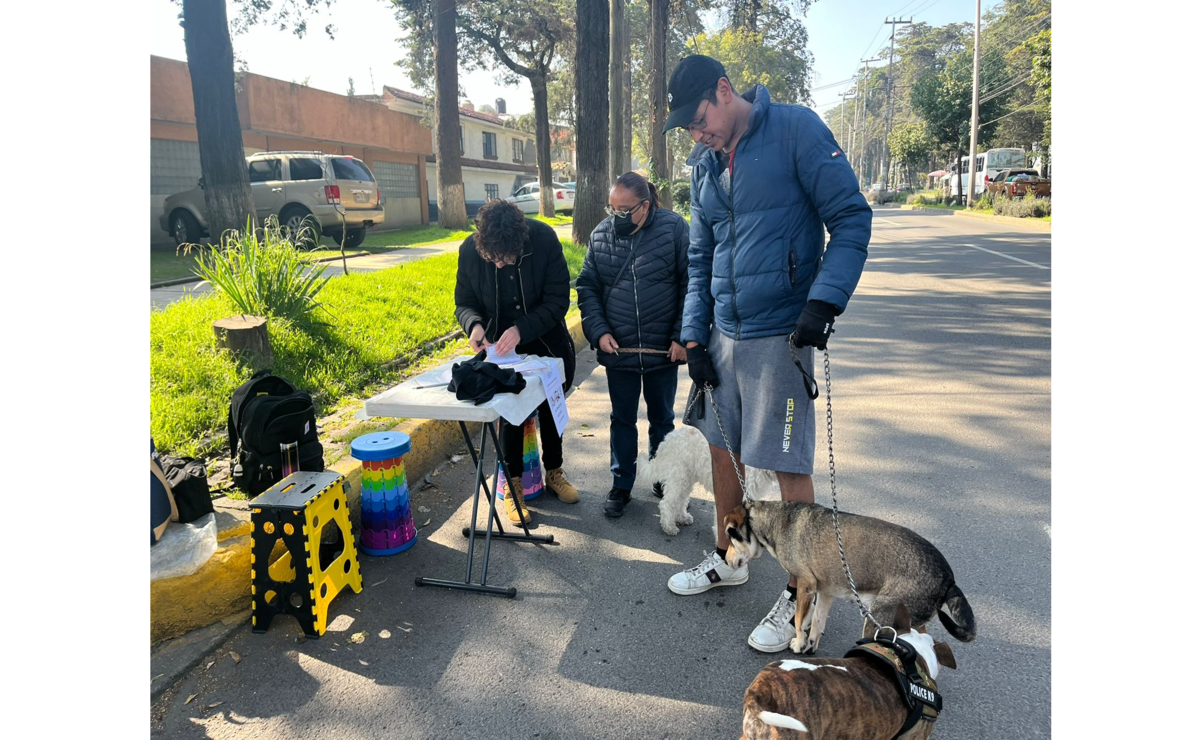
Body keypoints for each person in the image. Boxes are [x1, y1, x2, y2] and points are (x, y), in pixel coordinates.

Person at [661, 55, 872, 653]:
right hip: (724, 332)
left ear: (725, 90)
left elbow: (851, 218)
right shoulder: (703, 163)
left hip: (784, 331)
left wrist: (823, 303)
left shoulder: (796, 131)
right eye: (688, 127)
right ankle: (731, 555)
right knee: (722, 449)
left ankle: (800, 591)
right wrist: (695, 335)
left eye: (699, 118)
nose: (696, 133)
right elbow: (701, 258)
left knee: (785, 464)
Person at [453, 199, 580, 525]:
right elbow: (464, 302)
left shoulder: (543, 240)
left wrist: (521, 329)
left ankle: (554, 470)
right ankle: (512, 486)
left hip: (545, 342)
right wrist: (475, 325)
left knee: (551, 406)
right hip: (498, 349)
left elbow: (557, 301)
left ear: (518, 243)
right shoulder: (470, 250)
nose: (497, 265)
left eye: (505, 258)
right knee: (509, 411)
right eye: (490, 258)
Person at [576, 171, 689, 518]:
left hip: (662, 350)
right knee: (621, 419)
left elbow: (691, 283)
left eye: (626, 209)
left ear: (646, 204)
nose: (618, 217)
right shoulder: (601, 235)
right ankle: (621, 483)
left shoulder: (674, 229)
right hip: (619, 350)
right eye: (613, 209)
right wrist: (598, 331)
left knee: (662, 419)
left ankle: (660, 476)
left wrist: (682, 335)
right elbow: (587, 288)